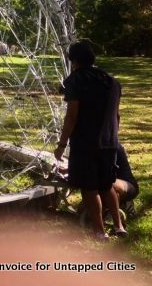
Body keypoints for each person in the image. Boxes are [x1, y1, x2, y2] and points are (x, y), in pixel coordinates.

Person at [54, 41, 126, 239]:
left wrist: (61, 145)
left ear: (74, 61)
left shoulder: (76, 80)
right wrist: (112, 137)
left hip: (85, 143)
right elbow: (116, 115)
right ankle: (119, 226)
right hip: (109, 142)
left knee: (89, 187)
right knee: (106, 184)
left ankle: (99, 231)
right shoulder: (111, 81)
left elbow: (72, 115)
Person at [114, 142, 139, 216]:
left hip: (127, 186)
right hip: (105, 185)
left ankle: (116, 211)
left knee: (106, 183)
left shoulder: (110, 145)